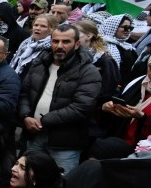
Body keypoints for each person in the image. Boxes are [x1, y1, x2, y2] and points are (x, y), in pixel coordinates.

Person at [17, 24, 102, 174]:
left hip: (65, 143)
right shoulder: (40, 63)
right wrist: (25, 116)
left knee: (61, 186)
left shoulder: (88, 71)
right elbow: (24, 94)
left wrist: (44, 120)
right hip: (34, 136)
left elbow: (81, 107)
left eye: (66, 42)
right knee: (29, 178)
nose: (60, 46)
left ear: (77, 44)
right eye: (55, 41)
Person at [10, 15, 55, 79]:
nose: (38, 28)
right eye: (36, 25)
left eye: (43, 26)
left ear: (51, 30)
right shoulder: (25, 43)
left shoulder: (50, 49)